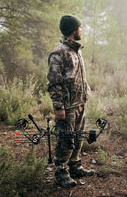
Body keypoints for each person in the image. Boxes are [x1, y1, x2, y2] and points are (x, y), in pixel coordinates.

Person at [47, 15, 94, 188]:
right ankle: (61, 173)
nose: (81, 30)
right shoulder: (58, 53)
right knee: (66, 139)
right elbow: (54, 83)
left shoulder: (76, 50)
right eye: (80, 28)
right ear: (74, 31)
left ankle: (75, 166)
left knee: (78, 136)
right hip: (67, 107)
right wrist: (59, 107)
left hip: (80, 102)